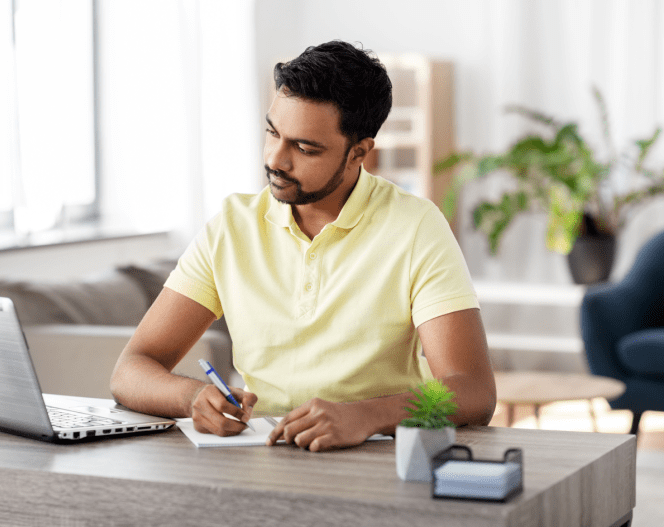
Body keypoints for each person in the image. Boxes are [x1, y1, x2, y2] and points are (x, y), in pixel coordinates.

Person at [110, 40, 496, 452]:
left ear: (359, 153)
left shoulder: (416, 226)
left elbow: (472, 391)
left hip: (376, 459)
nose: (276, 159)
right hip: (260, 458)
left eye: (305, 148)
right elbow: (131, 369)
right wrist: (190, 398)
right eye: (272, 133)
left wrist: (368, 416)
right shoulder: (231, 227)